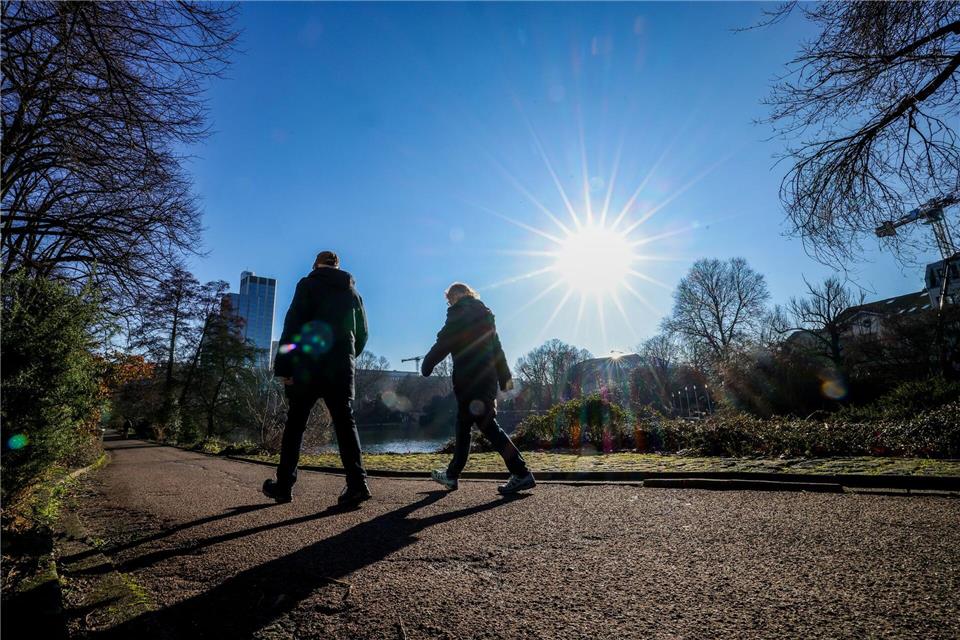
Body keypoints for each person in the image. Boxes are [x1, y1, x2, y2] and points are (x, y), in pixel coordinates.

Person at [263, 251, 371, 506]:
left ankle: (284, 487)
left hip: (307, 367)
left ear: (316, 265)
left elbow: (292, 327)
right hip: (340, 368)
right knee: (345, 424)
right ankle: (357, 484)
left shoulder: (307, 285)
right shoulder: (352, 292)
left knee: (296, 425)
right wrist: (349, 357)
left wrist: (283, 368)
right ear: (338, 266)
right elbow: (363, 332)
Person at [421, 283, 535, 495]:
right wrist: (505, 379)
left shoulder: (457, 315)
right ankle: (453, 475)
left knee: (484, 427)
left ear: (456, 295)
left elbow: (443, 343)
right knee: (467, 427)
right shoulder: (485, 315)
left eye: (450, 298)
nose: (450, 302)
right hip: (486, 380)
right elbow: (497, 349)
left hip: (468, 382)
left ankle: (521, 473)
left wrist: (427, 365)